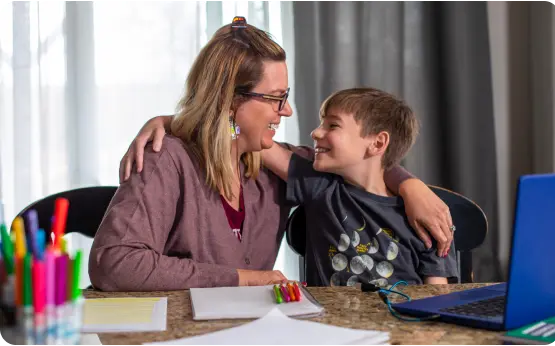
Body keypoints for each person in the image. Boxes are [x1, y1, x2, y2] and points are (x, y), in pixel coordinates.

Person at [93, 18, 454, 292]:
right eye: (275, 98)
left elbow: (360, 162)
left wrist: (411, 187)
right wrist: (245, 279)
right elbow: (115, 263)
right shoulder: (165, 158)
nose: (287, 111)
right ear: (231, 101)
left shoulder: (269, 165)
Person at [260, 88, 458, 287]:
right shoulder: (320, 187)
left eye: (333, 125)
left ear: (378, 143)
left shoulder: (426, 219)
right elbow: (258, 143)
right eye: (322, 123)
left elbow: (435, 297)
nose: (316, 132)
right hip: (327, 318)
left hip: (401, 318)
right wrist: (234, 121)